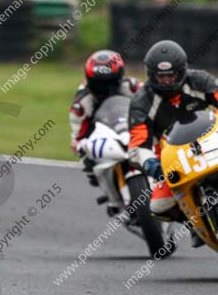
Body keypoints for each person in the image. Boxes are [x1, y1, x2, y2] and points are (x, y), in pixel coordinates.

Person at [128, 39, 218, 248]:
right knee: (159, 206)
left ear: (182, 71)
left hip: (211, 140)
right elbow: (138, 143)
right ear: (151, 75)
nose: (167, 81)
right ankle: (193, 221)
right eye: (161, 76)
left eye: (171, 75)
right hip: (173, 157)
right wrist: (151, 164)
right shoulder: (142, 101)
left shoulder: (200, 80)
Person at [70, 50, 141, 208]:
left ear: (120, 77)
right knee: (88, 163)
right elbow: (77, 137)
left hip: (129, 121)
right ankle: (112, 196)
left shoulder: (132, 87)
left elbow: (154, 105)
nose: (106, 89)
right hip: (99, 130)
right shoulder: (81, 103)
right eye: (99, 84)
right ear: (90, 81)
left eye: (111, 83)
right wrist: (82, 147)